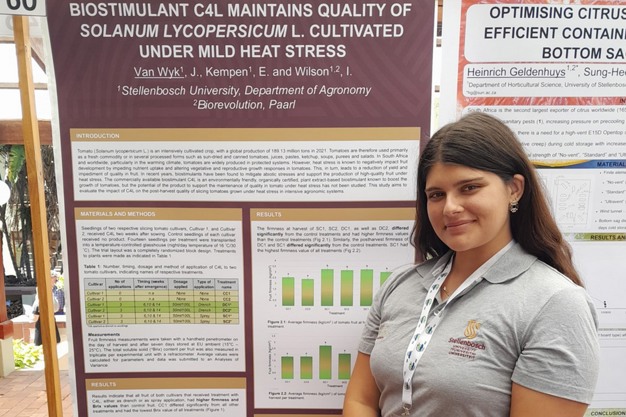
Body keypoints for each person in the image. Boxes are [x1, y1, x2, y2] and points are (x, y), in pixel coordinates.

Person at [343, 112, 599, 417]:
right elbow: (361, 401)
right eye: (436, 194)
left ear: (514, 189)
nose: (450, 207)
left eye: (469, 188)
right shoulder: (400, 285)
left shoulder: (555, 303)